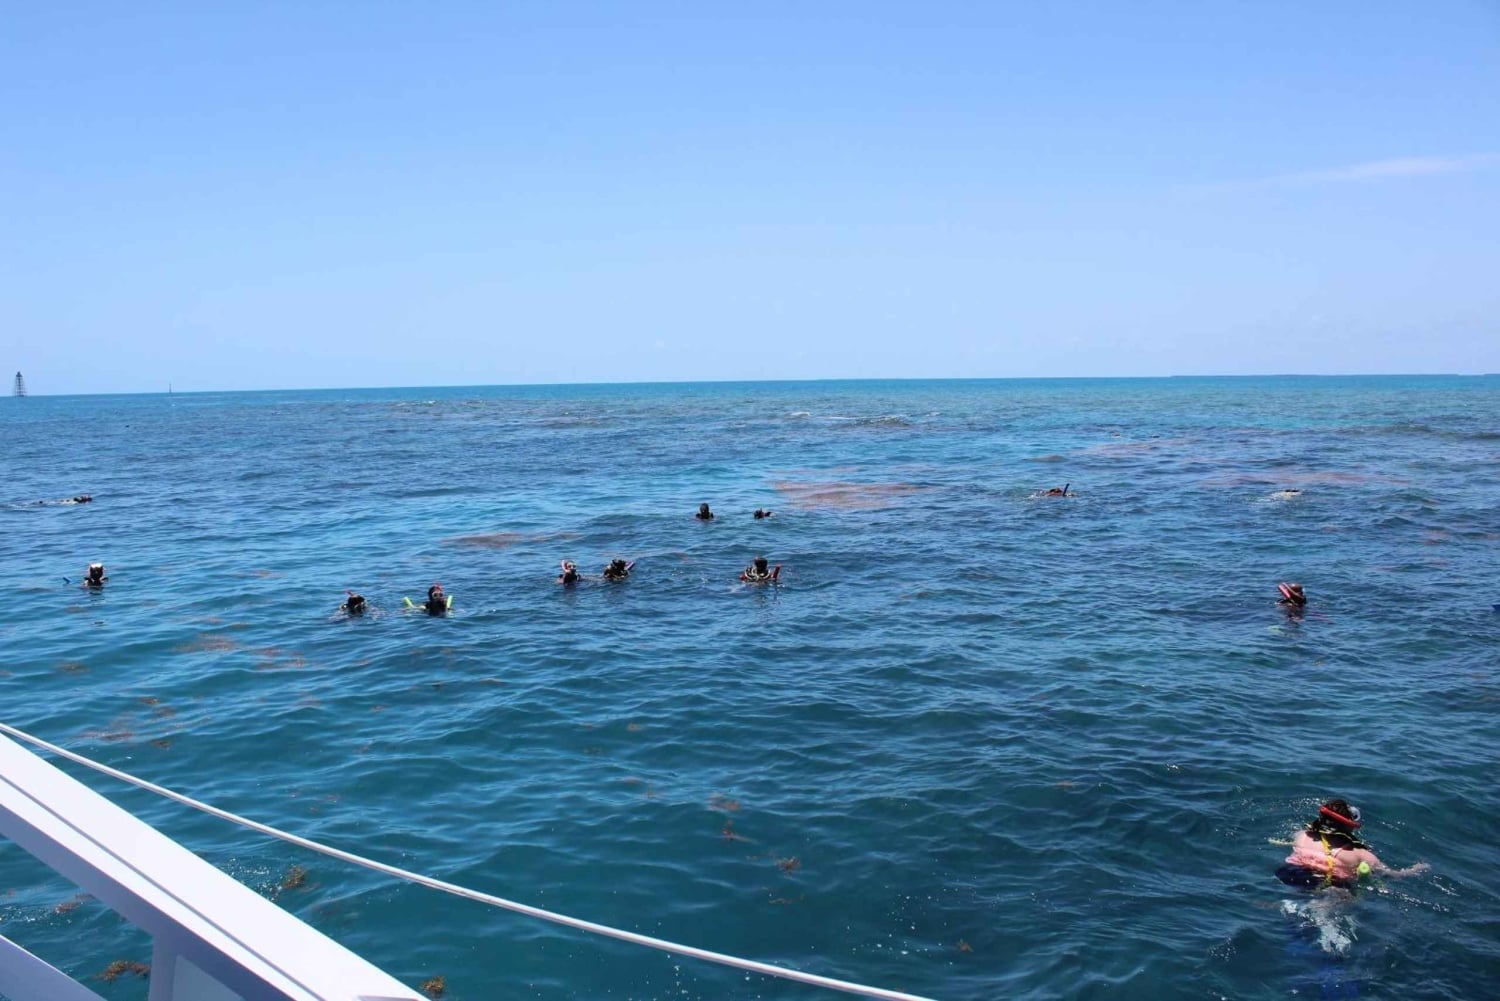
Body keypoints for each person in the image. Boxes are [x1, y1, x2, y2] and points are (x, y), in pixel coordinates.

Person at [1276, 799, 1429, 889]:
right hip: (1331, 886)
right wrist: (1416, 869)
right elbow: (1392, 875)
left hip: (1290, 875)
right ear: (1349, 825)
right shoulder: (1359, 854)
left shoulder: (1301, 836)